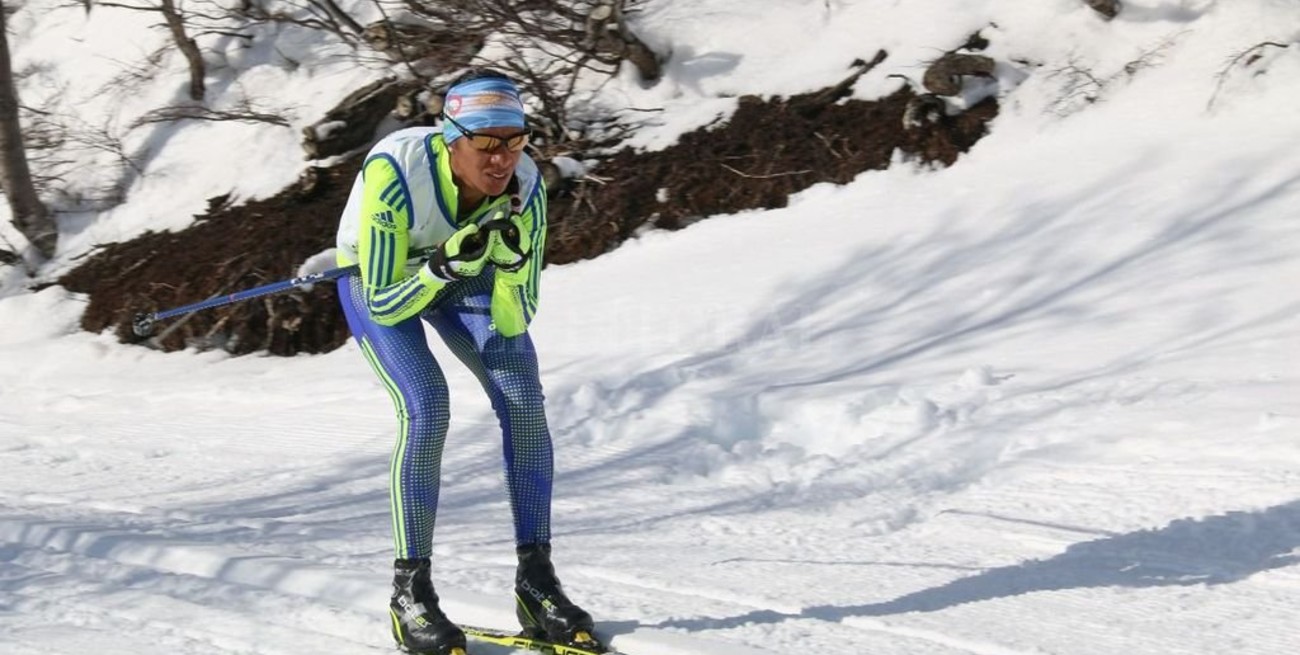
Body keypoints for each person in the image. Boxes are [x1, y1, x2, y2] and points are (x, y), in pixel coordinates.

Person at [333, 69, 597, 655]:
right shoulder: (395, 172)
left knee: (524, 400)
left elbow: (518, 312)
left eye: (515, 138)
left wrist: (505, 266)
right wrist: (439, 269)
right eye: (485, 143)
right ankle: (410, 594)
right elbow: (380, 298)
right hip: (381, 278)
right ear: (451, 137)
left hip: (462, 274)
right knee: (428, 405)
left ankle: (537, 581)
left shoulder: (526, 185)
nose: (502, 157)